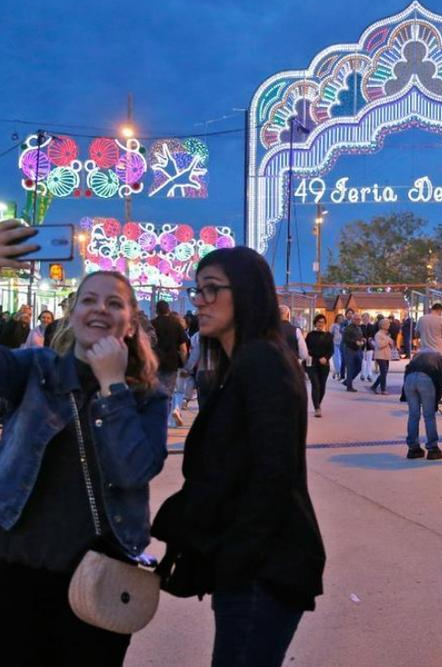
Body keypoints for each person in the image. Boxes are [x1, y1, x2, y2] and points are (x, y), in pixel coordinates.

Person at [0, 220, 167, 666]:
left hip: (95, 583)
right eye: (89, 299)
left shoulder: (147, 397)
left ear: (130, 324)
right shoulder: (37, 369)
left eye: (114, 303)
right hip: (3, 571)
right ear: (73, 314)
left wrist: (113, 387)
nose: (100, 309)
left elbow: (132, 470)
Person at [151, 246, 325, 666]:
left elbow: (274, 475)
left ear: (247, 293)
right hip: (251, 564)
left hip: (263, 569)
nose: (200, 302)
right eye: (197, 290)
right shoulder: (239, 364)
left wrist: (236, 556)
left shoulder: (262, 361)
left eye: (212, 290)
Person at [400, 347, 442, 459]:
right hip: (426, 380)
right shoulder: (438, 357)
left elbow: (406, 372)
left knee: (413, 415)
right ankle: (432, 448)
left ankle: (413, 448)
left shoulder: (416, 357)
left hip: (409, 380)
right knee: (429, 416)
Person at [0, 305, 33, 429]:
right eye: (24, 315)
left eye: (29, 315)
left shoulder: (27, 328)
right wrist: (15, 319)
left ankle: (3, 418)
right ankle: (2, 418)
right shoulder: (13, 325)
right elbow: (6, 336)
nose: (27, 317)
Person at [305, 314, 334, 417]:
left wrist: (326, 358)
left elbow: (331, 350)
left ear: (325, 323)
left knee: (322, 386)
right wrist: (307, 356)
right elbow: (305, 349)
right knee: (315, 385)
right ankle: (317, 408)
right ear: (315, 323)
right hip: (312, 363)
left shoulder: (329, 335)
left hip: (324, 363)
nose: (320, 324)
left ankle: (318, 402)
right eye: (318, 322)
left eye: (322, 322)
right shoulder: (310, 335)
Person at [341, 310, 365, 392]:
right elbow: (345, 339)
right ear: (353, 319)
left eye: (359, 319)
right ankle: (349, 386)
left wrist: (362, 340)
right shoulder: (348, 328)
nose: (359, 321)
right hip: (349, 349)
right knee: (350, 368)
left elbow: (360, 337)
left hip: (358, 350)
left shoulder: (359, 328)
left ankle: (347, 382)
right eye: (357, 319)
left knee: (359, 367)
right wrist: (355, 342)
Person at [371, 318, 395, 395]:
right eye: (387, 324)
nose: (389, 325)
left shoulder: (386, 334)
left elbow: (391, 344)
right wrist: (388, 340)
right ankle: (383, 389)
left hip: (386, 356)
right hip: (380, 356)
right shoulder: (378, 334)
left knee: (384, 373)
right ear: (383, 325)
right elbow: (379, 345)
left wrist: (391, 343)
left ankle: (374, 386)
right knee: (383, 372)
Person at [330, 313, 345, 381]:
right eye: (339, 318)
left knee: (342, 359)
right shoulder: (333, 325)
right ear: (336, 319)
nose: (340, 320)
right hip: (335, 343)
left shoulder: (344, 326)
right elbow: (330, 334)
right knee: (336, 359)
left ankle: (336, 371)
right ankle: (338, 372)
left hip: (343, 344)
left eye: (342, 318)